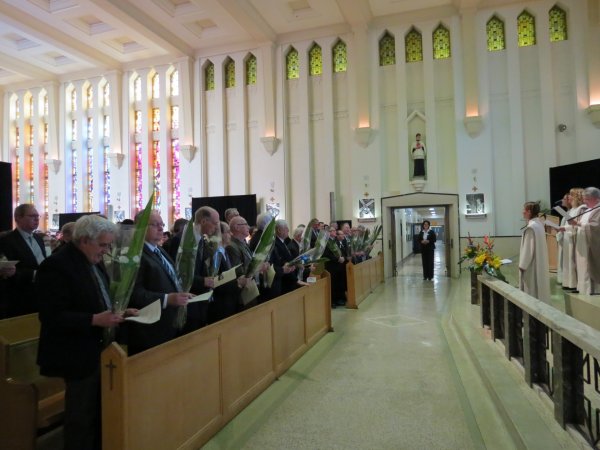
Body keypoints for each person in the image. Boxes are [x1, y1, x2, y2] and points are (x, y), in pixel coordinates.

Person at [36, 215, 137, 450]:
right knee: (81, 418)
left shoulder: (92, 261)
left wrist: (119, 311)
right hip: (75, 354)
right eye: (102, 245)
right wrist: (94, 319)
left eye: (108, 245)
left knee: (99, 413)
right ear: (83, 240)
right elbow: (52, 316)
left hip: (98, 350)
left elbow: (97, 297)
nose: (106, 250)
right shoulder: (56, 266)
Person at [128, 211, 193, 355]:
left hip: (169, 323)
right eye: (155, 225)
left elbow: (171, 278)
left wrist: (181, 293)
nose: (160, 228)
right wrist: (166, 299)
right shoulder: (135, 254)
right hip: (150, 331)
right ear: (140, 227)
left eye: (162, 224)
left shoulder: (159, 250)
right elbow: (134, 294)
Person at [0, 204, 47, 316]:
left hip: (41, 293)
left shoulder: (38, 238)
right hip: (21, 296)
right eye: (32, 216)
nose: (36, 219)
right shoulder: (7, 241)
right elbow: (8, 271)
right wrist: (34, 274)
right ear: (18, 218)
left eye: (37, 216)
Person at [571, 187, 600, 295]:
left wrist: (578, 223)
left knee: (589, 266)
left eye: (587, 199)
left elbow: (596, 226)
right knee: (582, 266)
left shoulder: (598, 209)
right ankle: (583, 288)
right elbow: (581, 224)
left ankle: (592, 289)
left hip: (591, 245)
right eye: (584, 198)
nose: (584, 201)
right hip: (582, 244)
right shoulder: (588, 210)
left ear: (596, 199)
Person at [519, 202, 550, 303]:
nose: (522, 212)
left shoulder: (531, 228)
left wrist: (522, 266)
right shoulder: (539, 224)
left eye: (524, 210)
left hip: (531, 265)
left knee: (531, 291)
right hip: (539, 262)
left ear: (529, 212)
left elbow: (528, 250)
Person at [560, 188, 586, 292]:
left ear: (576, 196)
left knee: (573, 262)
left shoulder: (581, 208)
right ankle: (569, 282)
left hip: (574, 237)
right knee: (568, 262)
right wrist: (564, 228)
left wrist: (567, 228)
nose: (569, 197)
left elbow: (579, 224)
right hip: (568, 236)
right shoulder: (572, 210)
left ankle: (575, 283)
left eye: (571, 195)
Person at [555, 193, 570, 285]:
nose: (562, 200)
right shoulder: (567, 213)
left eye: (564, 199)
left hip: (567, 239)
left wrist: (561, 230)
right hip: (563, 239)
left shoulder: (571, 212)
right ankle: (563, 279)